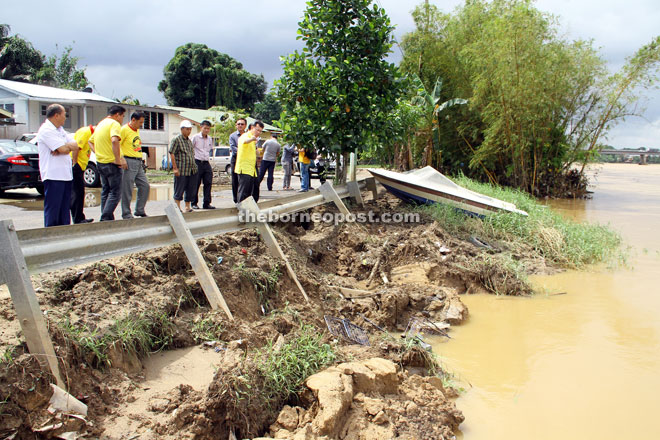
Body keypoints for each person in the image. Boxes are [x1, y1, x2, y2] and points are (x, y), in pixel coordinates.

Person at [36, 104, 79, 227]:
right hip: (53, 175)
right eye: (64, 114)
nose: (65, 117)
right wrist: (63, 147)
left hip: (65, 175)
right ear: (56, 115)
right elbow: (63, 149)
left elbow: (75, 145)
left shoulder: (60, 130)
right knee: (53, 209)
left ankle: (63, 236)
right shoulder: (46, 130)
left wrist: (65, 146)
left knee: (64, 210)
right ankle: (50, 237)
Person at [90, 105, 127, 221]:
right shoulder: (114, 124)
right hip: (111, 163)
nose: (122, 120)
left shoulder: (101, 124)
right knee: (115, 193)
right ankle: (105, 217)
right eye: (123, 116)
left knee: (106, 191)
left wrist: (98, 153)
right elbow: (115, 140)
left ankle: (107, 217)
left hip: (101, 162)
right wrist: (117, 159)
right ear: (117, 115)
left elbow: (90, 141)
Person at [120, 111, 149, 219]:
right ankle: (126, 213)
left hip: (138, 161)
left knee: (145, 185)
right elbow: (117, 144)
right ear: (133, 120)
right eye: (140, 122)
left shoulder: (136, 130)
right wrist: (121, 158)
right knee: (127, 188)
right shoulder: (124, 130)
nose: (141, 125)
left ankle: (139, 210)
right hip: (128, 161)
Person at [169, 120, 198, 212]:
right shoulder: (176, 139)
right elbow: (172, 153)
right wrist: (175, 168)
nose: (189, 131)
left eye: (190, 129)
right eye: (187, 129)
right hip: (181, 168)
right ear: (182, 129)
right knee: (179, 188)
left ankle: (187, 206)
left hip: (191, 169)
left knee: (190, 188)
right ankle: (177, 207)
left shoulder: (189, 141)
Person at [70, 124, 95, 224]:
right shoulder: (85, 132)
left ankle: (80, 217)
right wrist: (75, 163)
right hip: (77, 165)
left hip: (81, 166)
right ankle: (77, 219)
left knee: (80, 193)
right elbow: (76, 147)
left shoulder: (91, 134)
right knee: (77, 193)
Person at [235, 120, 264, 203]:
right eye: (257, 130)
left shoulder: (254, 141)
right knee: (244, 191)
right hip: (244, 168)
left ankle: (251, 207)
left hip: (252, 169)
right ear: (252, 128)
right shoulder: (245, 136)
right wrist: (252, 139)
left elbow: (257, 153)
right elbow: (244, 141)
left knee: (254, 190)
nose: (258, 132)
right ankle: (241, 208)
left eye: (260, 131)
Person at [191, 120, 215, 209]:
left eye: (208, 129)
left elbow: (209, 150)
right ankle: (193, 202)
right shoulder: (195, 137)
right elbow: (190, 148)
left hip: (206, 162)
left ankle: (206, 203)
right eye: (205, 128)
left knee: (208, 182)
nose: (206, 130)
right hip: (197, 161)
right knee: (196, 183)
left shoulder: (209, 138)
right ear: (201, 128)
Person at [229, 118, 247, 203]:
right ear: (236, 125)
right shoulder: (232, 136)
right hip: (235, 159)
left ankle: (243, 198)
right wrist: (243, 151)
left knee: (244, 180)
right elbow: (233, 147)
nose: (240, 125)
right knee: (235, 179)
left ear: (245, 126)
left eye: (242, 124)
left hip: (245, 160)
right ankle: (236, 199)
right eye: (238, 124)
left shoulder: (248, 136)